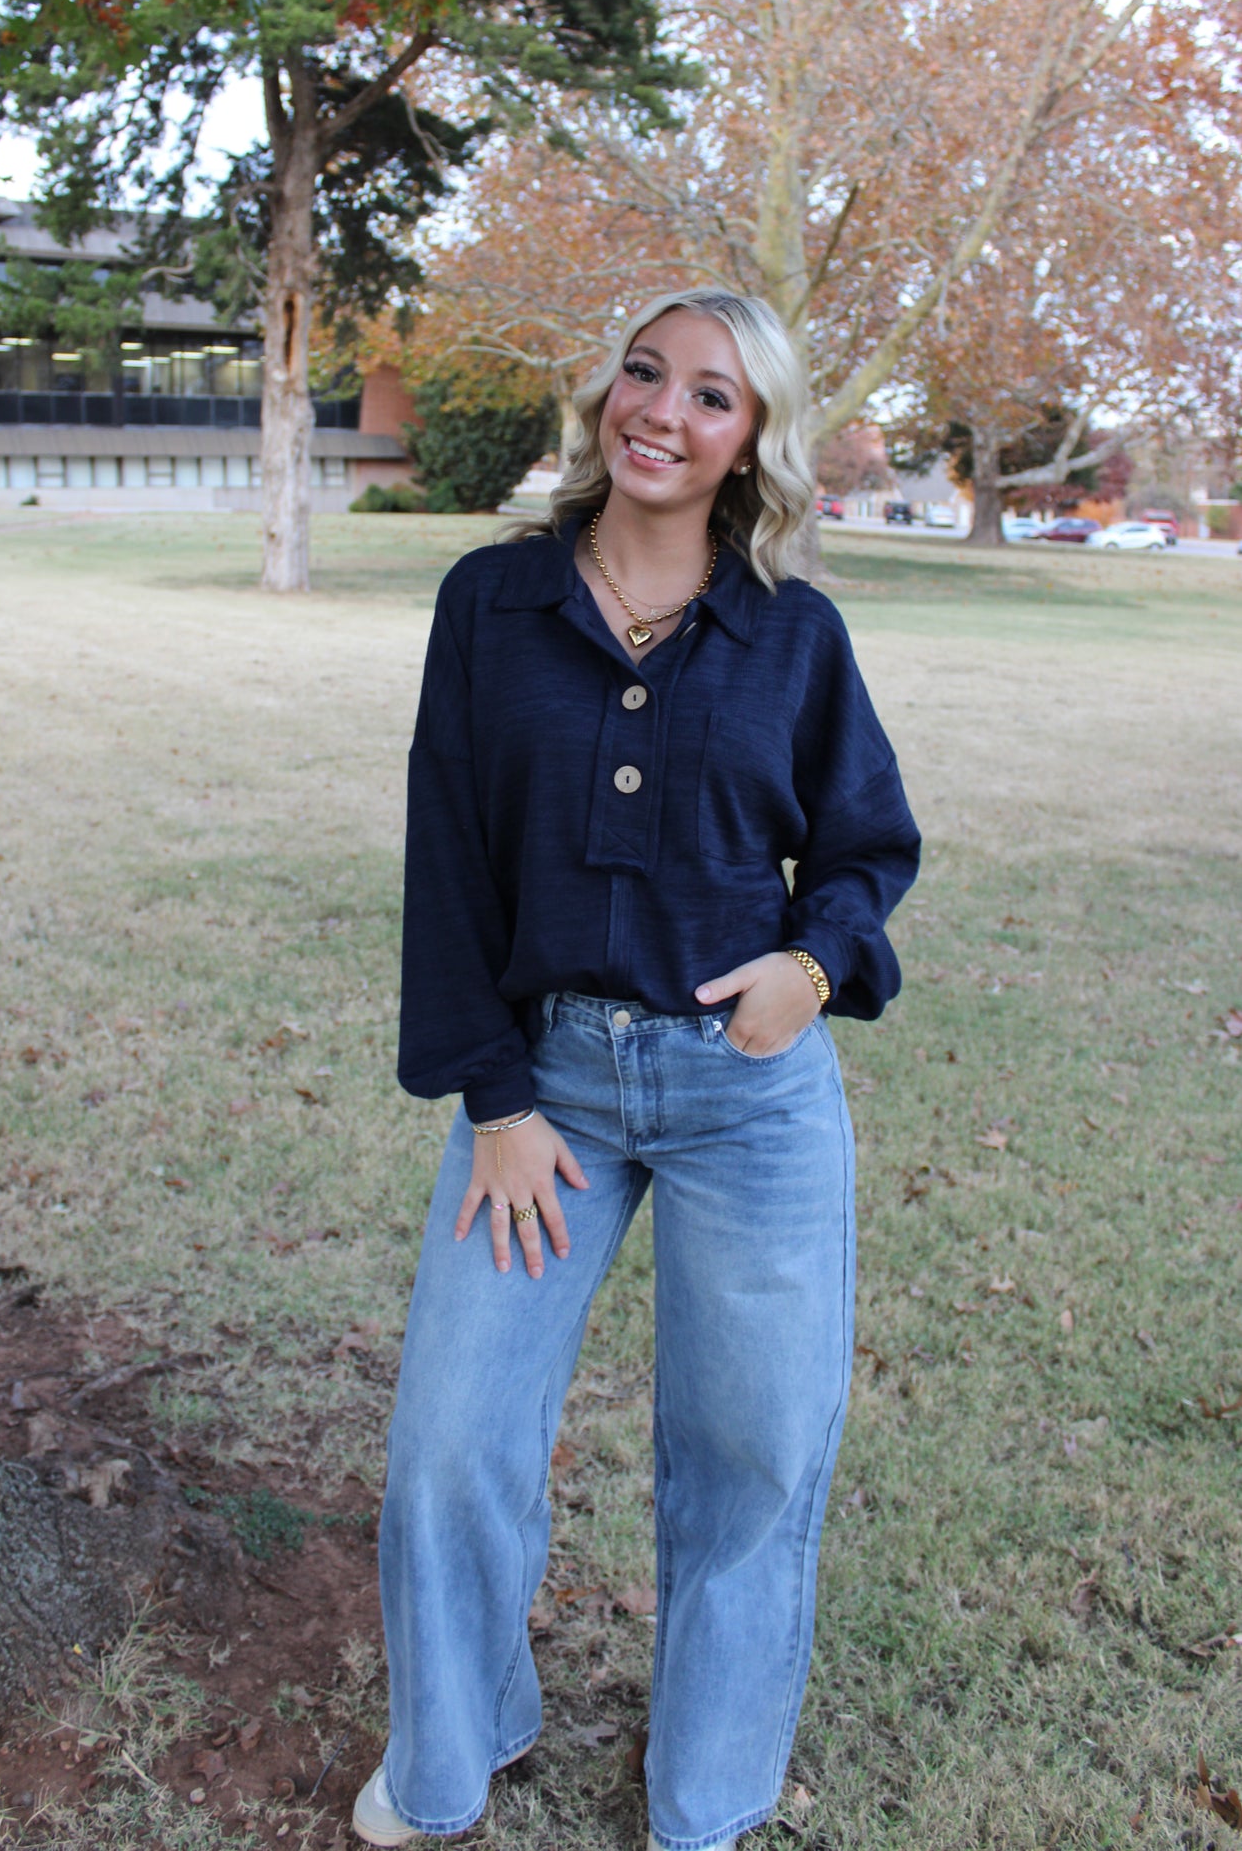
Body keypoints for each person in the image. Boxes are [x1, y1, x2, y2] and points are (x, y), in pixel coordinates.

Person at [353, 287, 921, 1851]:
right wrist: (500, 1104)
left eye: (712, 398)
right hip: (549, 1094)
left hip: (750, 1102)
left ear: (753, 446)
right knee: (452, 1447)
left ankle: (704, 1800)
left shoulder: (792, 634)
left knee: (748, 1460)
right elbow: (448, 864)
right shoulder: (491, 603)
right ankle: (452, 1757)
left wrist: (810, 970)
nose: (661, 413)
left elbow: (865, 848)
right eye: (644, 373)